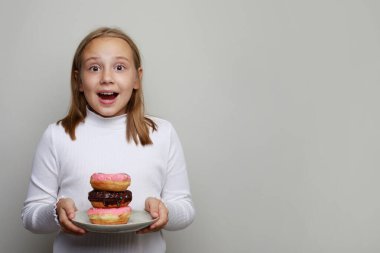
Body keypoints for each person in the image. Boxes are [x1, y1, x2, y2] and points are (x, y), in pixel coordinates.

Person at [21, 27, 195, 253]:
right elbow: (30, 215)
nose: (106, 78)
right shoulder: (57, 135)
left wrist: (166, 211)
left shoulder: (162, 133)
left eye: (120, 67)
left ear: (137, 78)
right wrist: (55, 213)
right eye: (94, 68)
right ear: (79, 81)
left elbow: (186, 209)